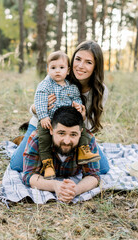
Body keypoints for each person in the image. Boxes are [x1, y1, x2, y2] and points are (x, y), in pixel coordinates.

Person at [10, 40, 109, 174]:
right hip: (44, 124)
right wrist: (36, 109)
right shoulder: (57, 74)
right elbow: (37, 103)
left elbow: (90, 125)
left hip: (74, 131)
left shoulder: (100, 91)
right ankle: (28, 141)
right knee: (17, 165)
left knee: (102, 168)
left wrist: (83, 117)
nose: (80, 66)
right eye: (78, 59)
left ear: (96, 66)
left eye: (88, 62)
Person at [34, 50, 100, 179]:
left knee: (83, 132)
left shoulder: (72, 87)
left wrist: (78, 107)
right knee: (44, 139)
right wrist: (43, 116)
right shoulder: (46, 85)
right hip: (49, 119)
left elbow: (77, 99)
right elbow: (39, 100)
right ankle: (47, 164)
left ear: (68, 70)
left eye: (61, 68)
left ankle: (83, 151)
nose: (57, 71)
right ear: (48, 70)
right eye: (53, 68)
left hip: (68, 121)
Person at [23, 106, 100, 203]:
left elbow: (93, 175)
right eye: (61, 133)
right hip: (38, 139)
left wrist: (75, 190)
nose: (67, 141)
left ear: (80, 133)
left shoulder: (88, 139)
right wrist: (54, 185)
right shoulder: (38, 139)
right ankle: (21, 139)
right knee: (16, 165)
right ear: (51, 130)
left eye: (73, 134)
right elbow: (29, 175)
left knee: (104, 168)